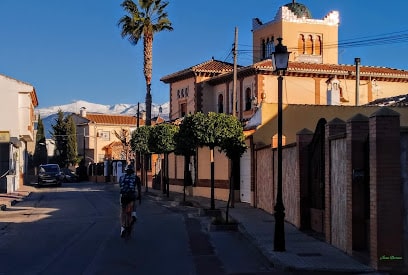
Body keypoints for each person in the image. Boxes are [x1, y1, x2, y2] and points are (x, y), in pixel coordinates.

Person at [119, 164, 141, 237]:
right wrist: (140, 197)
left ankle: (122, 228)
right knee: (133, 201)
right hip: (131, 195)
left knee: (123, 211)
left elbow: (120, 186)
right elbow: (139, 189)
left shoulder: (121, 177)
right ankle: (134, 214)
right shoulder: (136, 177)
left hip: (123, 196)